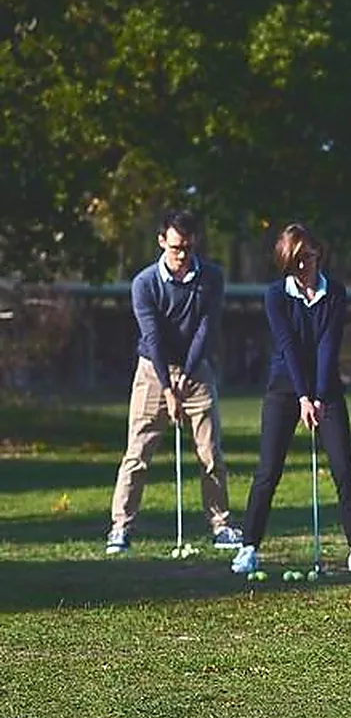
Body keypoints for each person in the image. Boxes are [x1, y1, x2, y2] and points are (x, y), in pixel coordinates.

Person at [231, 224, 351, 576]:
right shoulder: (275, 296)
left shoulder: (335, 293)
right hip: (284, 388)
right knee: (268, 470)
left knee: (344, 467)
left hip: (327, 389)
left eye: (305, 259)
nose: (301, 268)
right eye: (293, 262)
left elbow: (328, 345)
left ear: (317, 254)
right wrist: (302, 397)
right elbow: (288, 347)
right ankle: (249, 546)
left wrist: (320, 395)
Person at [106, 210, 243, 554]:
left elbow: (205, 332)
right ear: (161, 242)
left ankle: (221, 525)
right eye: (176, 248)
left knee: (211, 452)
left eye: (188, 248)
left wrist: (184, 381)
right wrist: (168, 388)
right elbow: (152, 338)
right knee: (137, 453)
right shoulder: (144, 283)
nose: (182, 256)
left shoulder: (211, 278)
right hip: (153, 370)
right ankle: (120, 528)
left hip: (196, 371)